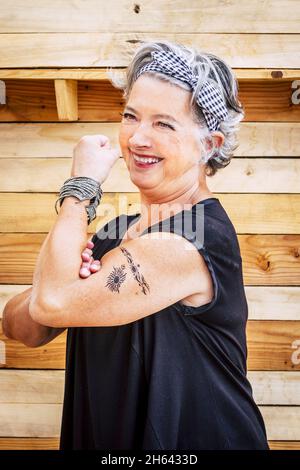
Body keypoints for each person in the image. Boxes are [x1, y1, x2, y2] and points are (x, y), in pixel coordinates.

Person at [3, 40, 269, 450]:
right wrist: (64, 289)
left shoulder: (194, 238)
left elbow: (50, 303)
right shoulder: (116, 231)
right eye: (131, 116)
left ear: (210, 145)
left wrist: (81, 188)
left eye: (164, 123)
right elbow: (25, 325)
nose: (138, 137)